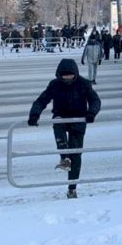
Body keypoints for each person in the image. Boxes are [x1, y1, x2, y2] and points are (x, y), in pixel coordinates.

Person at [27, 59, 101, 199]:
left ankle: (72, 188)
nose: (67, 78)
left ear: (75, 74)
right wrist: (34, 115)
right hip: (61, 116)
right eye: (64, 76)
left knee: (76, 154)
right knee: (58, 124)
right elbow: (41, 100)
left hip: (79, 119)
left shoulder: (84, 84)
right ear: (59, 75)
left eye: (70, 75)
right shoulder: (55, 84)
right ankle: (64, 157)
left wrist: (91, 113)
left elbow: (95, 100)